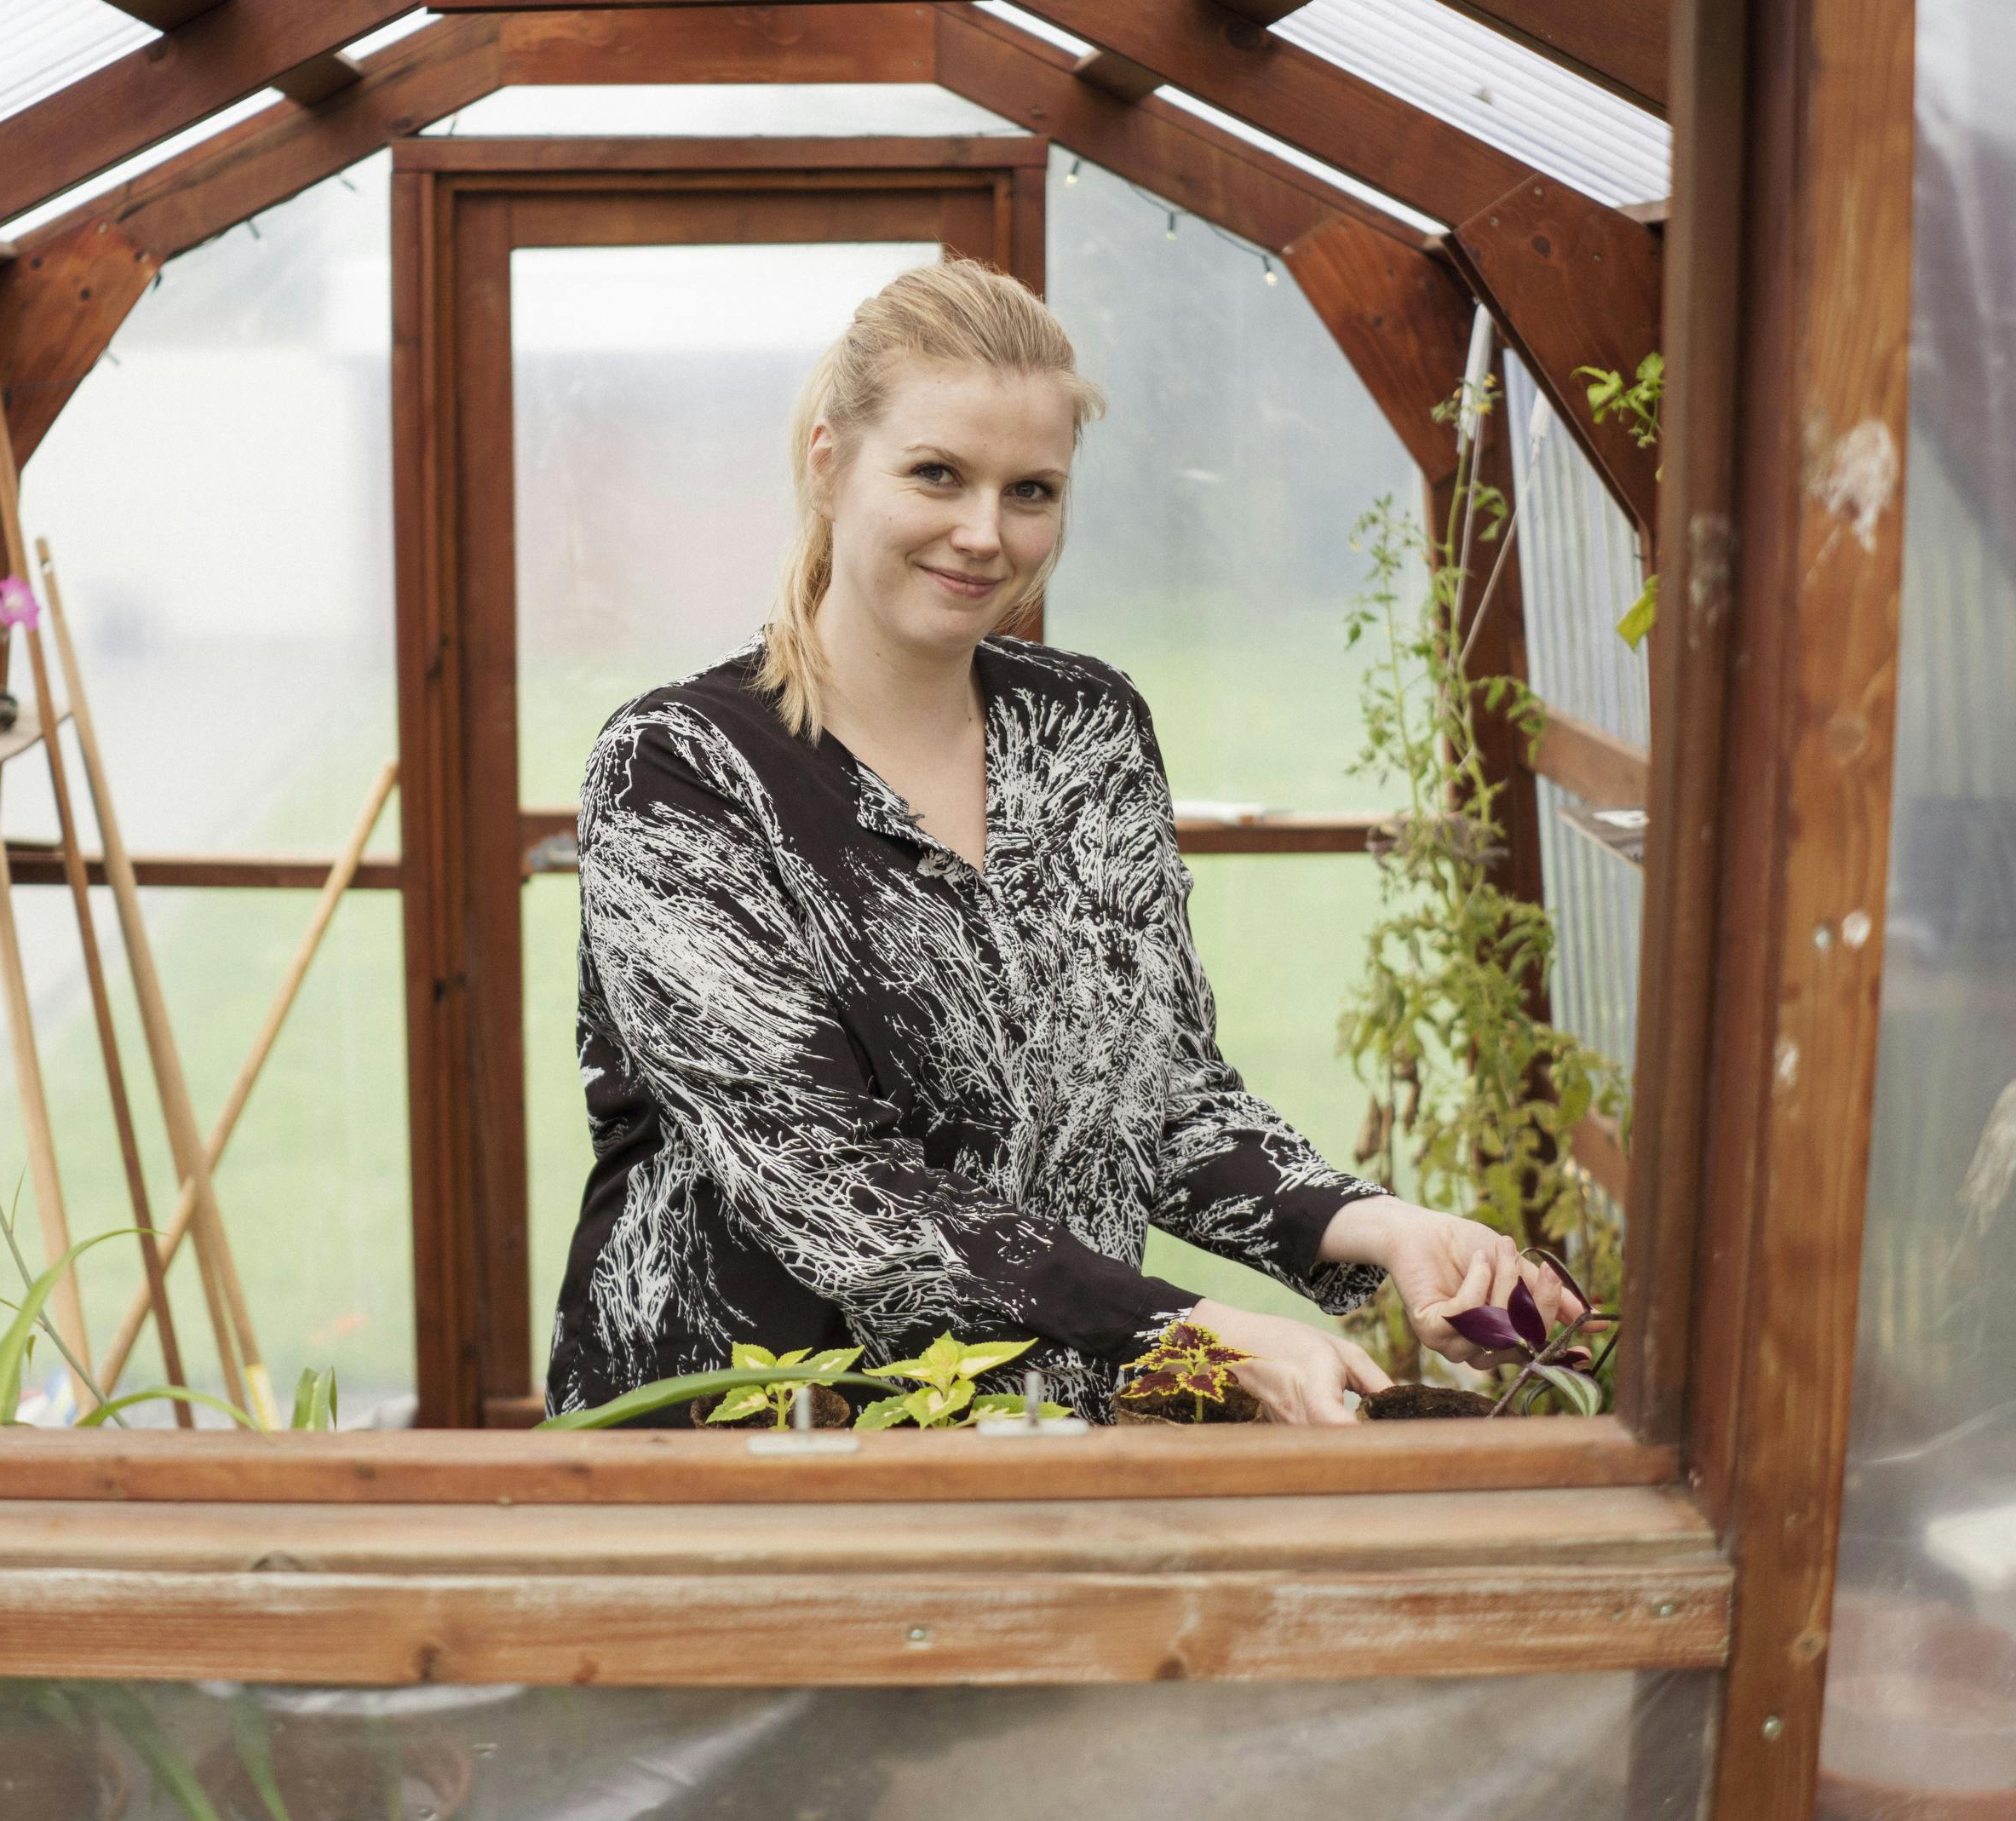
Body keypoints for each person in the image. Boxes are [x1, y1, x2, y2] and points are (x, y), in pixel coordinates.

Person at [543, 256, 1582, 1427]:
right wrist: (1194, 1335)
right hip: (749, 1440)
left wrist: (1383, 1225)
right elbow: (826, 1182)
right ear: (829, 463)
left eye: (1031, 491)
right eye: (937, 473)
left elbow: (1162, 1097)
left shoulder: (1088, 730)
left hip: (1036, 1435)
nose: (984, 533)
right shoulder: (684, 772)